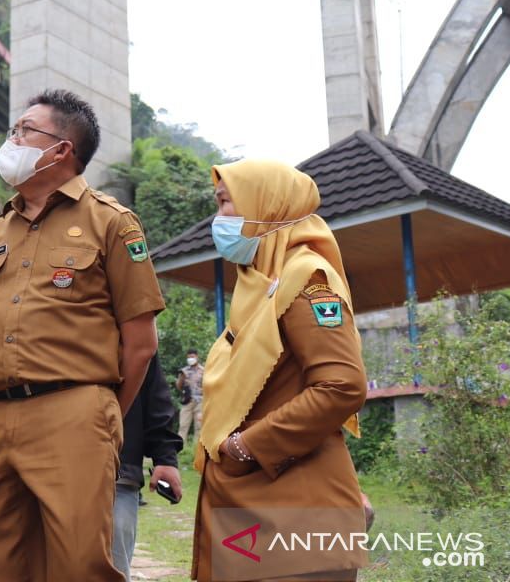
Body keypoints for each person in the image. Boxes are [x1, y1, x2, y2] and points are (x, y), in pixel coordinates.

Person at [0, 89, 165, 582]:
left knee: (79, 566)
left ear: (61, 149)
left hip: (73, 411)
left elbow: (140, 343)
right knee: (2, 563)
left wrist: (103, 414)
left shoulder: (112, 223)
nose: (12, 139)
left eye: (24, 130)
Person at [191, 159, 368, 582]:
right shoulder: (260, 284)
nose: (218, 220)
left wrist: (246, 446)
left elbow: (341, 385)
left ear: (263, 205)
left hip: (293, 514)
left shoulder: (307, 280)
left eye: (224, 203)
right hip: (254, 505)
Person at [113, 353, 183, 582]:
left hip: (117, 470)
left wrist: (165, 458)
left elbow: (152, 389)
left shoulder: (124, 325)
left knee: (113, 562)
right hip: (38, 468)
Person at [176, 347, 204, 445]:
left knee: (199, 426)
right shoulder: (184, 371)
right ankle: (180, 449)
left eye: (192, 357)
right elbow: (179, 387)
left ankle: (196, 450)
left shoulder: (203, 370)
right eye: (189, 357)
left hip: (200, 402)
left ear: (197, 357)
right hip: (187, 401)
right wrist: (182, 378)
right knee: (183, 425)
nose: (190, 359)